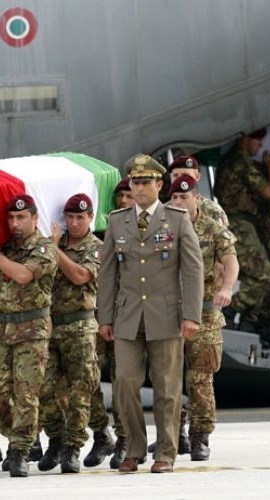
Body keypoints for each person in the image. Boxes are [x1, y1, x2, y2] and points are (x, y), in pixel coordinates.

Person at [97, 154, 204, 474]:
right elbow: (107, 274)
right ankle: (134, 447)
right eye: (135, 182)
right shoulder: (117, 220)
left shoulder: (176, 219)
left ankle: (167, 452)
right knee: (125, 385)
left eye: (145, 182)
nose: (139, 187)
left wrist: (191, 314)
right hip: (128, 315)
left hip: (167, 315)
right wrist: (105, 317)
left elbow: (193, 270)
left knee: (167, 387)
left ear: (160, 184)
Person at [170, 174, 239, 460]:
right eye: (174, 197)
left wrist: (226, 289)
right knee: (168, 378)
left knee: (200, 378)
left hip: (204, 315)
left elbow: (230, 260)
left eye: (184, 197)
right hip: (171, 313)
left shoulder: (213, 229)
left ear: (196, 198)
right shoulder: (162, 227)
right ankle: (174, 434)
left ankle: (201, 435)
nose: (178, 202)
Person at [214, 129, 270, 348]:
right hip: (238, 223)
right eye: (257, 141)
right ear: (244, 139)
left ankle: (253, 321)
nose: (260, 147)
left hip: (251, 223)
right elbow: (269, 193)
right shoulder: (240, 161)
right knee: (263, 275)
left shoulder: (245, 160)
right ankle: (231, 311)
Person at [36, 194, 101, 473]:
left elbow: (79, 276)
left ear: (90, 218)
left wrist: (53, 250)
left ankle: (73, 446)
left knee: (80, 389)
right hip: (50, 325)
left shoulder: (96, 246)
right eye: (70, 217)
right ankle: (56, 438)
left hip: (81, 327)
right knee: (44, 387)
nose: (74, 223)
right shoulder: (54, 243)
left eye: (80, 217)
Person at [0, 194, 57, 477]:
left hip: (33, 332)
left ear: (35, 218)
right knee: (1, 395)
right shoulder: (7, 247)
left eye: (21, 217)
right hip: (5, 330)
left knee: (26, 395)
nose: (15, 223)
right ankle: (18, 438)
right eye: (10, 218)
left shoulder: (44, 248)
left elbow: (23, 276)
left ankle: (20, 451)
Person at [85, 177, 135, 470]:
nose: (125, 201)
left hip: (128, 315)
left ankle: (125, 439)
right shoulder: (104, 233)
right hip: (100, 317)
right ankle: (101, 434)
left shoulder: (145, 232)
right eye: (121, 196)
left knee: (123, 383)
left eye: (130, 196)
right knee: (88, 378)